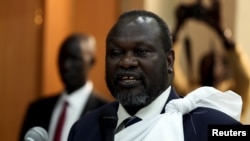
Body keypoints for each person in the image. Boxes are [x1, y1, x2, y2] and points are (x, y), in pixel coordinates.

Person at [67, 10, 242, 141]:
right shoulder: (84, 129)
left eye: (141, 51)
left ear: (169, 62)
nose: (126, 62)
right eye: (116, 52)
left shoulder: (216, 126)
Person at [19, 33, 109, 141]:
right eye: (63, 57)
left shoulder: (107, 113)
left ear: (91, 62)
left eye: (74, 59)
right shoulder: (37, 109)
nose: (66, 65)